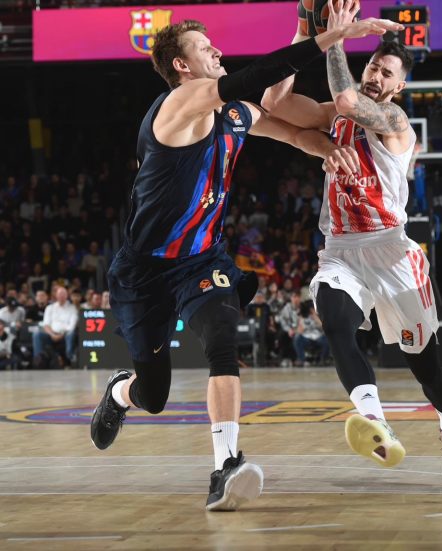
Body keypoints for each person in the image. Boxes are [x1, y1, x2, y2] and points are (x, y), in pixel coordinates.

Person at [89, 12, 403, 512]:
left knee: (223, 342)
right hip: (145, 270)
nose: (216, 51)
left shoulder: (236, 113)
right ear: (182, 65)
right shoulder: (179, 104)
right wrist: (332, 37)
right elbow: (260, 73)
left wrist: (327, 150)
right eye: (204, 47)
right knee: (154, 394)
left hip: (202, 261)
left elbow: (293, 133)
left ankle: (226, 465)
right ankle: (121, 394)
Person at [262, 0, 442, 484]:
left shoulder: (396, 122)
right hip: (341, 248)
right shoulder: (331, 116)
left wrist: (334, 36)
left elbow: (345, 101)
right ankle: (375, 421)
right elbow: (274, 102)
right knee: (336, 323)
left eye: (387, 73)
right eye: (374, 66)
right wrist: (304, 31)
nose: (377, 76)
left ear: (399, 87)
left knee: (426, 369)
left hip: (392, 251)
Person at [33, 286, 78, 367]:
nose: (61, 296)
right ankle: (39, 359)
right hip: (51, 334)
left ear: (66, 296)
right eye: (60, 294)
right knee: (37, 334)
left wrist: (61, 335)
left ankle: (70, 358)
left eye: (63, 294)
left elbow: (72, 326)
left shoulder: (72, 308)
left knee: (71, 333)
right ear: (56, 296)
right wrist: (52, 335)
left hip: (65, 334)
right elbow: (46, 325)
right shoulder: (50, 308)